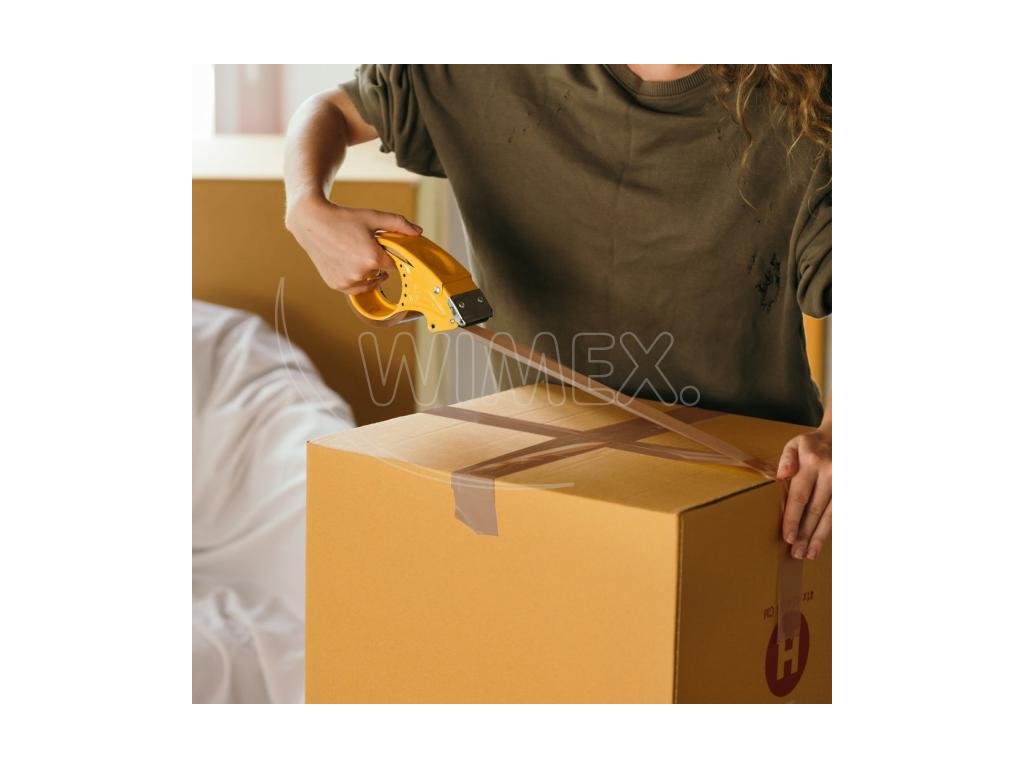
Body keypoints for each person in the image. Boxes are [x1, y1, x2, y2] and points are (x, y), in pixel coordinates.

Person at [283, 65, 831, 560]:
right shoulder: (481, 62)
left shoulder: (813, 98)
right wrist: (306, 206)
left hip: (765, 502)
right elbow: (333, 109)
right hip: (546, 485)